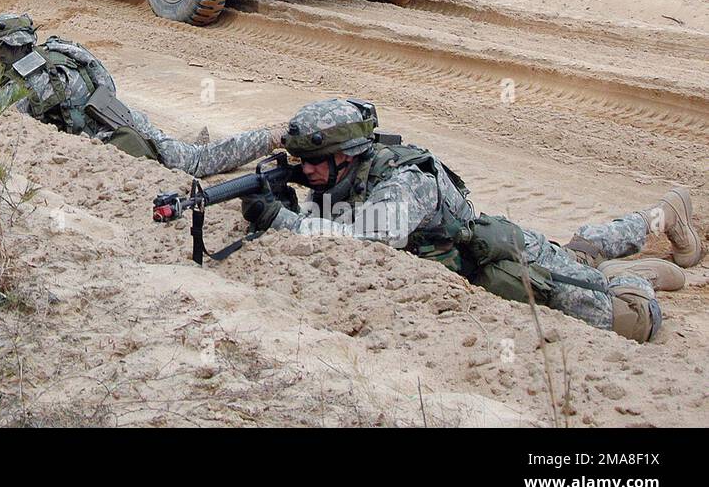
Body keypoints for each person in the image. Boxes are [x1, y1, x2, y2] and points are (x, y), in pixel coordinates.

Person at [240, 98, 702, 343]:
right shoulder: (339, 173)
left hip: (509, 259)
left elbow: (370, 237)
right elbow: (202, 160)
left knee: (635, 319)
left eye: (313, 162)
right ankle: (659, 216)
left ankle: (635, 271)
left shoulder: (406, 179)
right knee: (578, 252)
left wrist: (285, 220)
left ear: (346, 156)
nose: (305, 172)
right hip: (492, 259)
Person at [0, 12, 276, 178]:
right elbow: (106, 83)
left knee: (197, 163)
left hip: (117, 141)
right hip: (122, 115)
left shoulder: (23, 85)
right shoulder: (61, 50)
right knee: (185, 153)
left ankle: (271, 139)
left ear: (5, 50)